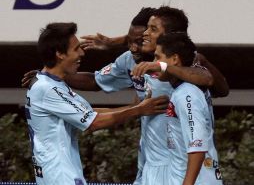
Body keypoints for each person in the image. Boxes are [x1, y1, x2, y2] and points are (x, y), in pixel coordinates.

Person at [22, 6, 228, 184]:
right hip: (152, 164)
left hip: (187, 164)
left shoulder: (186, 66)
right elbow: (95, 81)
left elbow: (214, 84)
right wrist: (52, 76)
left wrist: (165, 65)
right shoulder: (132, 60)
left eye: (151, 29)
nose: (145, 34)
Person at [24, 22, 169, 185]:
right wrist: (139, 111)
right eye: (76, 48)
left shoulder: (50, 83)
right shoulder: (48, 89)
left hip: (56, 174)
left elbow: (88, 112)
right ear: (60, 54)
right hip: (60, 176)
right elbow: (93, 122)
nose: (81, 53)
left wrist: (139, 107)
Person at [135, 33, 223, 184]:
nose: (154, 63)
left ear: (174, 60)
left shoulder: (187, 93)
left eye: (158, 57)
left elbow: (197, 146)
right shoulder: (180, 92)